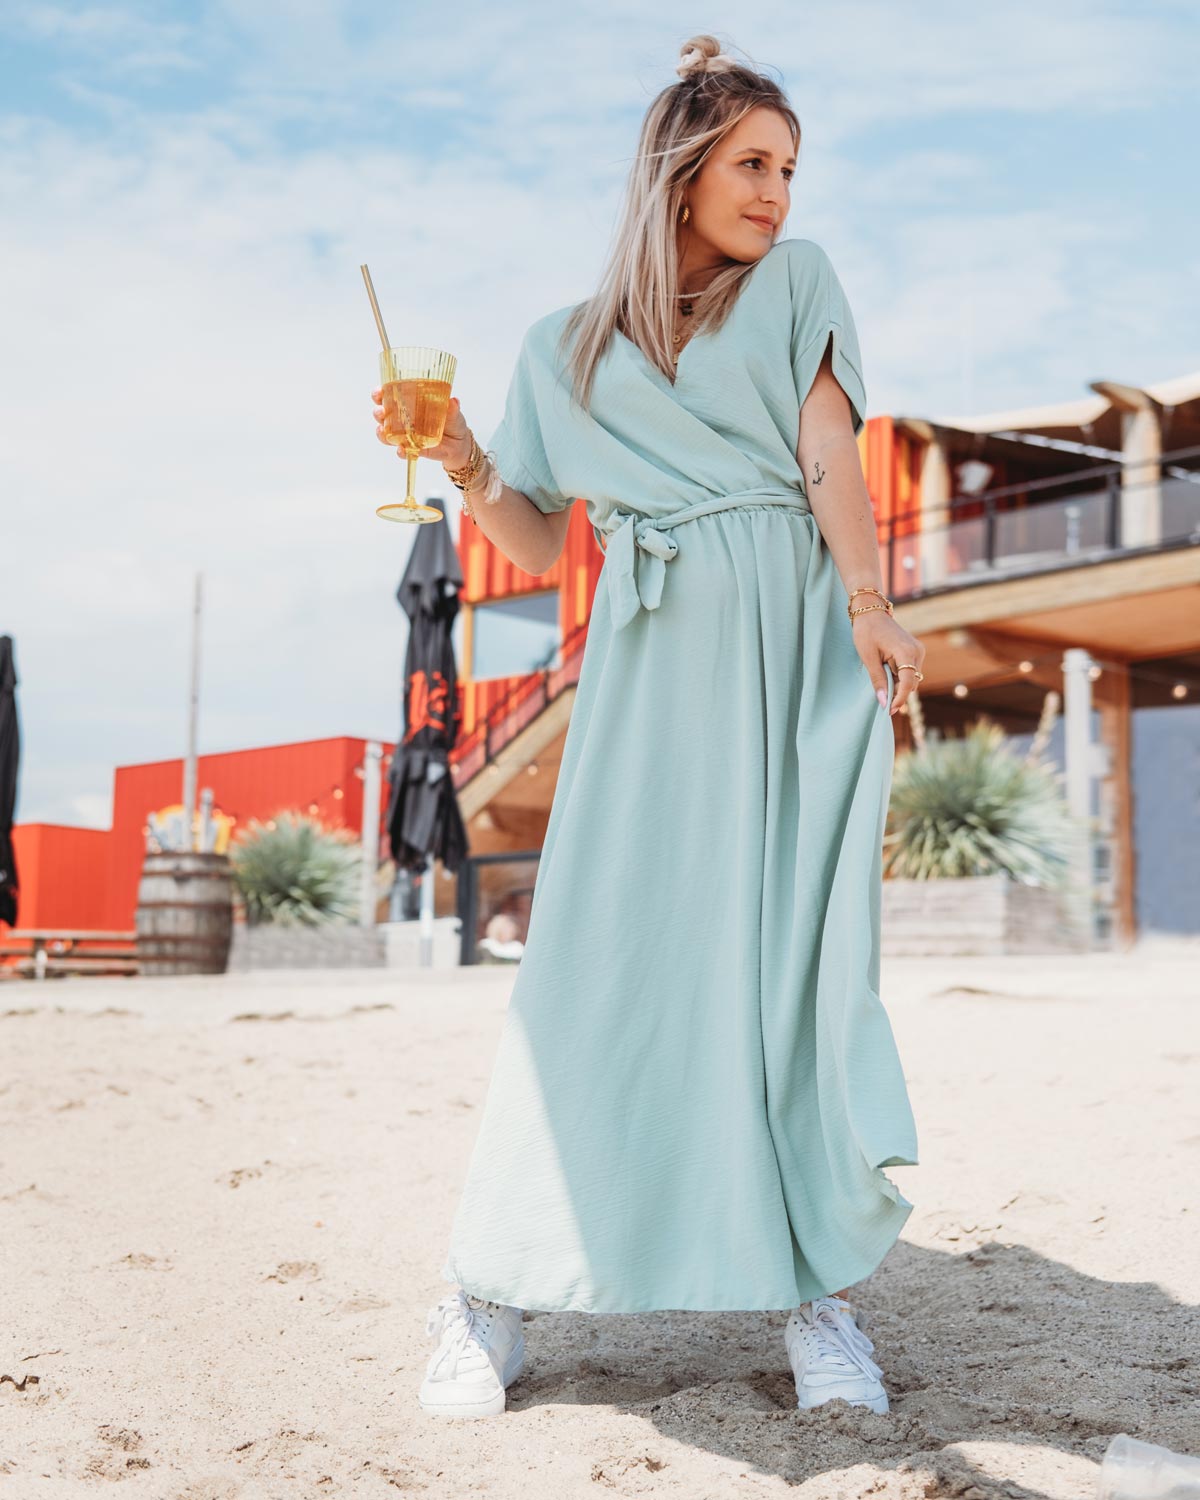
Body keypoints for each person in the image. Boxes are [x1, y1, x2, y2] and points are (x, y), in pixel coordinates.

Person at [372, 33, 926, 1422]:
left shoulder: (795, 286)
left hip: (789, 648)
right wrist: (455, 453)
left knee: (786, 962)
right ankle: (490, 1291)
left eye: (789, 168)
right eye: (753, 163)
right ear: (680, 170)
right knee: (595, 963)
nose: (778, 193)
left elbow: (825, 458)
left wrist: (868, 598)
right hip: (649, 665)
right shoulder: (557, 350)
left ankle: (816, 1293)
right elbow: (532, 530)